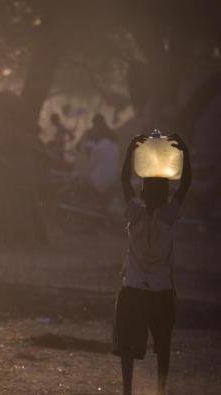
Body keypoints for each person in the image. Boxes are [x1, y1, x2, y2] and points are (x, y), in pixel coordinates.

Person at [113, 133, 191, 395]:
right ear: (165, 194)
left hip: (134, 286)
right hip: (161, 289)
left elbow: (124, 180)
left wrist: (131, 147)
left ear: (143, 192)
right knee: (163, 345)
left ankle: (127, 390)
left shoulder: (134, 213)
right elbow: (185, 185)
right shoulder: (169, 216)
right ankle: (160, 389)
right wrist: (185, 153)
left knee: (127, 344)